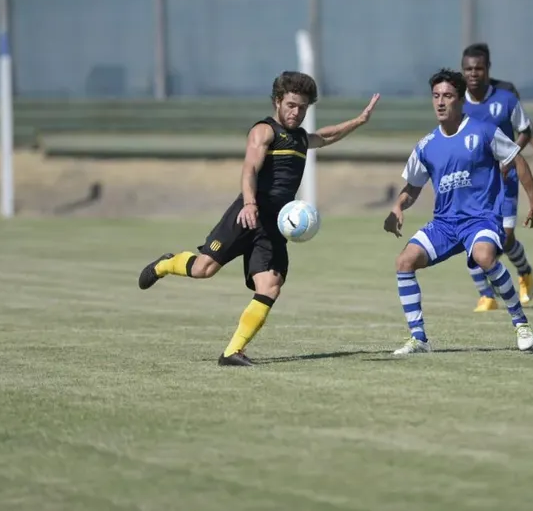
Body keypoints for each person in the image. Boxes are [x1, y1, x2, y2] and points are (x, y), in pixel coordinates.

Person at [137, 71, 380, 367]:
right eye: (291, 105)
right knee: (203, 269)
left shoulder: (301, 138)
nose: (297, 112)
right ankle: (165, 264)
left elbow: (326, 136)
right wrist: (250, 204)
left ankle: (232, 352)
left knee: (271, 285)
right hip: (247, 214)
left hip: (275, 225)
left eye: (303, 107)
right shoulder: (264, 131)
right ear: (278, 101)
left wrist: (359, 121)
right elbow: (250, 169)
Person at [383, 69, 533, 356]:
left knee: (484, 257)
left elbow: (517, 159)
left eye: (447, 96)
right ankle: (419, 338)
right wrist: (397, 206)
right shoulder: (426, 146)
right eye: (436, 96)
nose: (440, 102)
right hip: (445, 224)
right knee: (404, 261)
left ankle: (521, 323)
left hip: (481, 218)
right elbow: (412, 187)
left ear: (460, 101)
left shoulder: (482, 131)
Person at [461, 42, 533, 309]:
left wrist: (511, 155)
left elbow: (525, 129)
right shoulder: (457, 102)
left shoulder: (505, 99)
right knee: (470, 236)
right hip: (474, 183)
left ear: (488, 69)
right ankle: (487, 295)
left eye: (478, 68)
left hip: (505, 180)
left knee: (505, 238)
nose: (473, 74)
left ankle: (524, 271)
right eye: (468, 69)